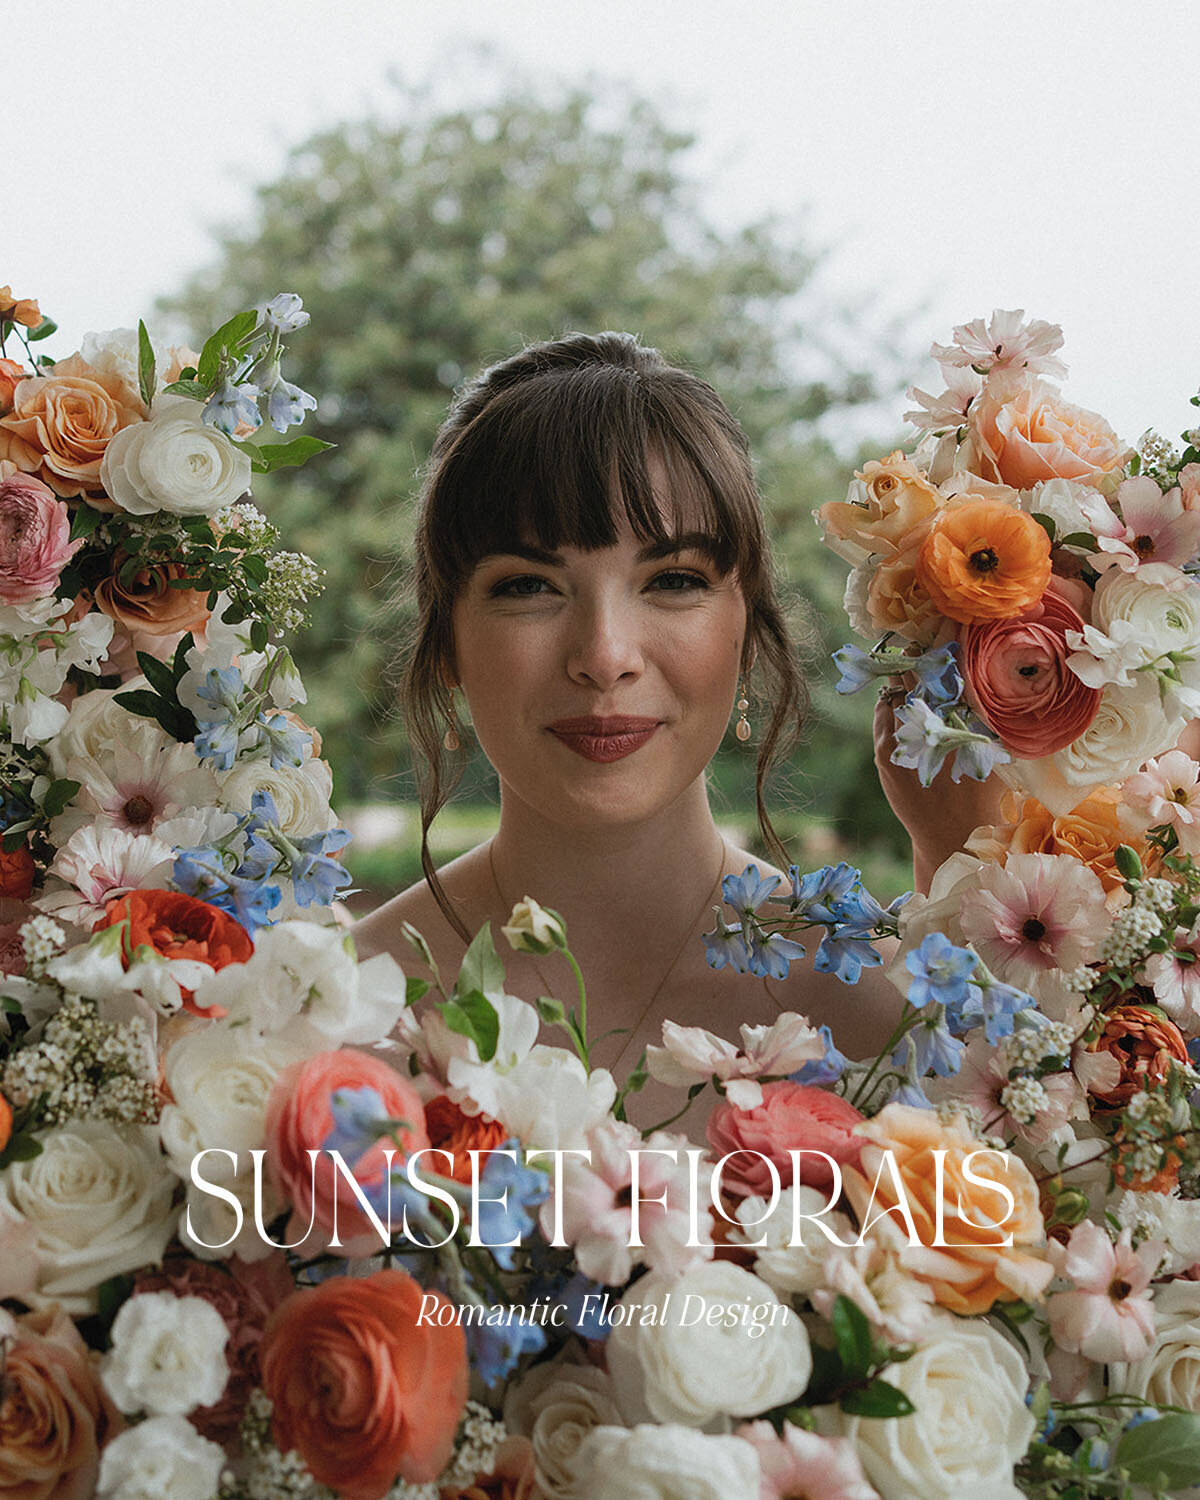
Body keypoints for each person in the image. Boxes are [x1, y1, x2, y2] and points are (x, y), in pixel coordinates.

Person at [354, 331, 907, 1119]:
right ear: (445, 641)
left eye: (673, 580)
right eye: (528, 587)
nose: (604, 657)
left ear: (748, 631)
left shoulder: (888, 1011)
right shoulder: (336, 1018)